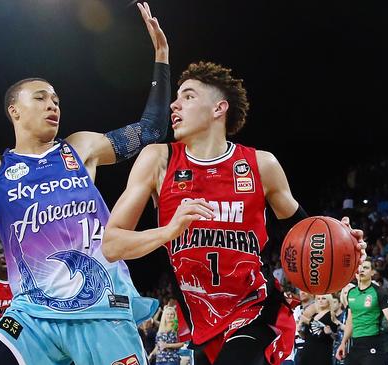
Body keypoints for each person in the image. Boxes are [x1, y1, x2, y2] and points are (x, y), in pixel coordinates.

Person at [0, 3, 170, 364]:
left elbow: (150, 130)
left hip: (101, 309)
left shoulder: (81, 148)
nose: (52, 105)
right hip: (31, 318)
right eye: (40, 98)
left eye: (56, 99)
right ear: (15, 111)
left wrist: (162, 56)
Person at [102, 61, 366, 365]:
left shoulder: (261, 165)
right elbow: (112, 245)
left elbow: (308, 231)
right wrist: (168, 231)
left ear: (219, 108)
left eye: (188, 96)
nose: (174, 104)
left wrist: (341, 240)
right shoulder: (158, 160)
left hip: (255, 311)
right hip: (202, 323)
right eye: (177, 97)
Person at [336, 259, 388, 365]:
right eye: (359, 268)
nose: (361, 270)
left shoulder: (380, 292)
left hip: (374, 343)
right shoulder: (351, 293)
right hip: (355, 344)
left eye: (366, 268)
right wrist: (343, 342)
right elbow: (350, 319)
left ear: (373, 272)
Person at [296, 294, 339, 365]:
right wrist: (299, 331)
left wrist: (330, 332)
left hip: (322, 352)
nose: (320, 301)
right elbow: (306, 336)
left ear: (329, 300)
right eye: (318, 299)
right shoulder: (314, 315)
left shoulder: (332, 315)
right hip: (307, 351)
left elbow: (336, 337)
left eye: (323, 298)